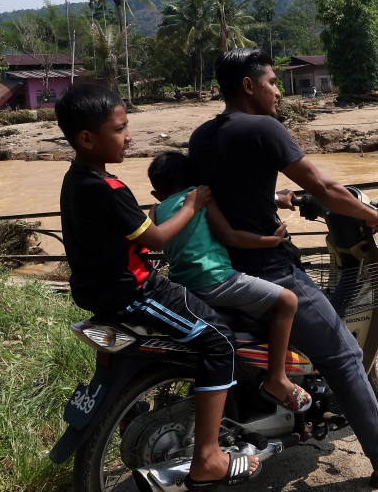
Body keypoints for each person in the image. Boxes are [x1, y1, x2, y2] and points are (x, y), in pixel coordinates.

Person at [189, 49, 378, 489]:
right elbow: (323, 186)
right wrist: (373, 215)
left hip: (220, 269)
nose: (279, 91)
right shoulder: (265, 127)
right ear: (248, 85)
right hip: (267, 269)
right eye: (272, 82)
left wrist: (277, 199)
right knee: (344, 354)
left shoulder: (202, 136)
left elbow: (228, 192)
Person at [54, 83, 260, 491]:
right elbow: (157, 239)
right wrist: (192, 204)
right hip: (135, 294)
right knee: (219, 341)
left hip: (96, 294)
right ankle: (208, 458)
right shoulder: (109, 189)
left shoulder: (74, 179)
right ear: (87, 138)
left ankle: (142, 414)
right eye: (120, 129)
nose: (129, 136)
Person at [146, 150, 312, 413]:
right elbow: (230, 236)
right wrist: (272, 241)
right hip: (217, 280)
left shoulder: (156, 211)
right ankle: (277, 379)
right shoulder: (201, 198)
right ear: (193, 180)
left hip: (183, 287)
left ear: (157, 193)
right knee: (288, 301)